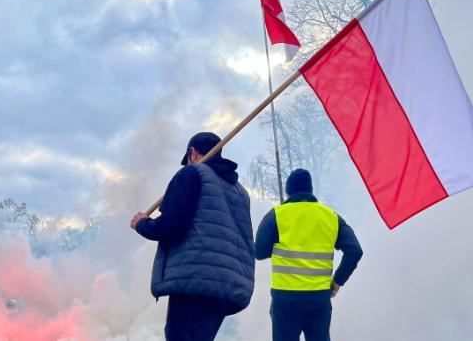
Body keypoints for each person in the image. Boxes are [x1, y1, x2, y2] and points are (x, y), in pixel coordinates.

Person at [130, 132, 255, 341]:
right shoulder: (239, 192)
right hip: (228, 286)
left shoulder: (191, 174)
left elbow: (171, 226)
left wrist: (142, 223)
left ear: (192, 152)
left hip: (196, 281)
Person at [255, 169, 363, 341]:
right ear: (310, 191)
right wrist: (337, 281)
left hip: (285, 299)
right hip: (319, 298)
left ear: (287, 193)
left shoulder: (276, 215)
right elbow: (355, 251)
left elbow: (259, 252)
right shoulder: (331, 217)